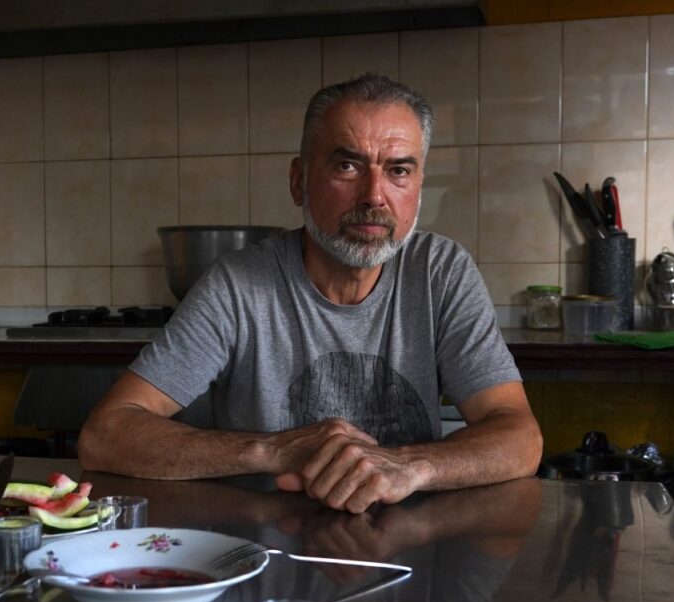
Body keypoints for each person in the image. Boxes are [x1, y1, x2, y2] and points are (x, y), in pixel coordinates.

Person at [78, 72, 542, 512]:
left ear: (418, 187)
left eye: (399, 170)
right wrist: (272, 449)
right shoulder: (238, 285)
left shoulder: (441, 272)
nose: (374, 196)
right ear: (299, 180)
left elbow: (519, 436)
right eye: (347, 165)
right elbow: (105, 435)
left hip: (409, 553)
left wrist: (410, 467)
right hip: (263, 557)